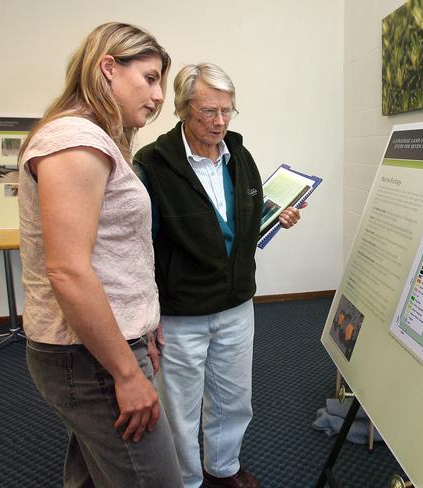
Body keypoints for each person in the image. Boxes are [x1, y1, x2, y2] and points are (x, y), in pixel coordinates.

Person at [18, 22, 182, 487]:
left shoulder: (89, 137)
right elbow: (68, 271)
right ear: (108, 67)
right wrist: (127, 374)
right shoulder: (75, 140)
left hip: (99, 345)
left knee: (94, 476)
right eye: (149, 78)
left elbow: (113, 255)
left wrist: (142, 323)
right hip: (91, 358)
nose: (157, 98)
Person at [134, 63, 303, 488]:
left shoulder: (239, 156)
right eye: (209, 112)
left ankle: (223, 470)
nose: (220, 122)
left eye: (228, 111)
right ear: (183, 109)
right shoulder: (153, 163)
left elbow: (238, 221)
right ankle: (188, 480)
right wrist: (149, 314)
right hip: (181, 312)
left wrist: (272, 217)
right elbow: (142, 246)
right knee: (180, 409)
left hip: (236, 304)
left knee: (233, 400)